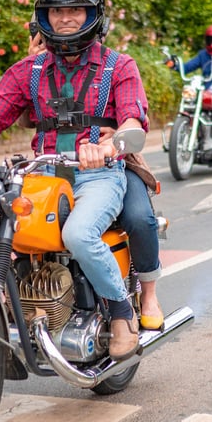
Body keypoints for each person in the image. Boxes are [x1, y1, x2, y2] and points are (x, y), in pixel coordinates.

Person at [0, 0, 148, 360]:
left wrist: (109, 146)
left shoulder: (120, 66)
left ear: (93, 14)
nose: (65, 19)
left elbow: (133, 121)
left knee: (79, 235)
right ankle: (10, 308)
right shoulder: (26, 71)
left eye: (75, 10)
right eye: (56, 11)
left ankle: (121, 312)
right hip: (43, 176)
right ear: (43, 17)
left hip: (98, 175)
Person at [26, 29, 164, 332]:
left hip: (112, 164)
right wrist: (33, 69)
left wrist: (113, 140)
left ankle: (148, 295)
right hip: (54, 169)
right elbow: (22, 115)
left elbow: (134, 118)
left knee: (139, 218)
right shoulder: (37, 71)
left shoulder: (116, 67)